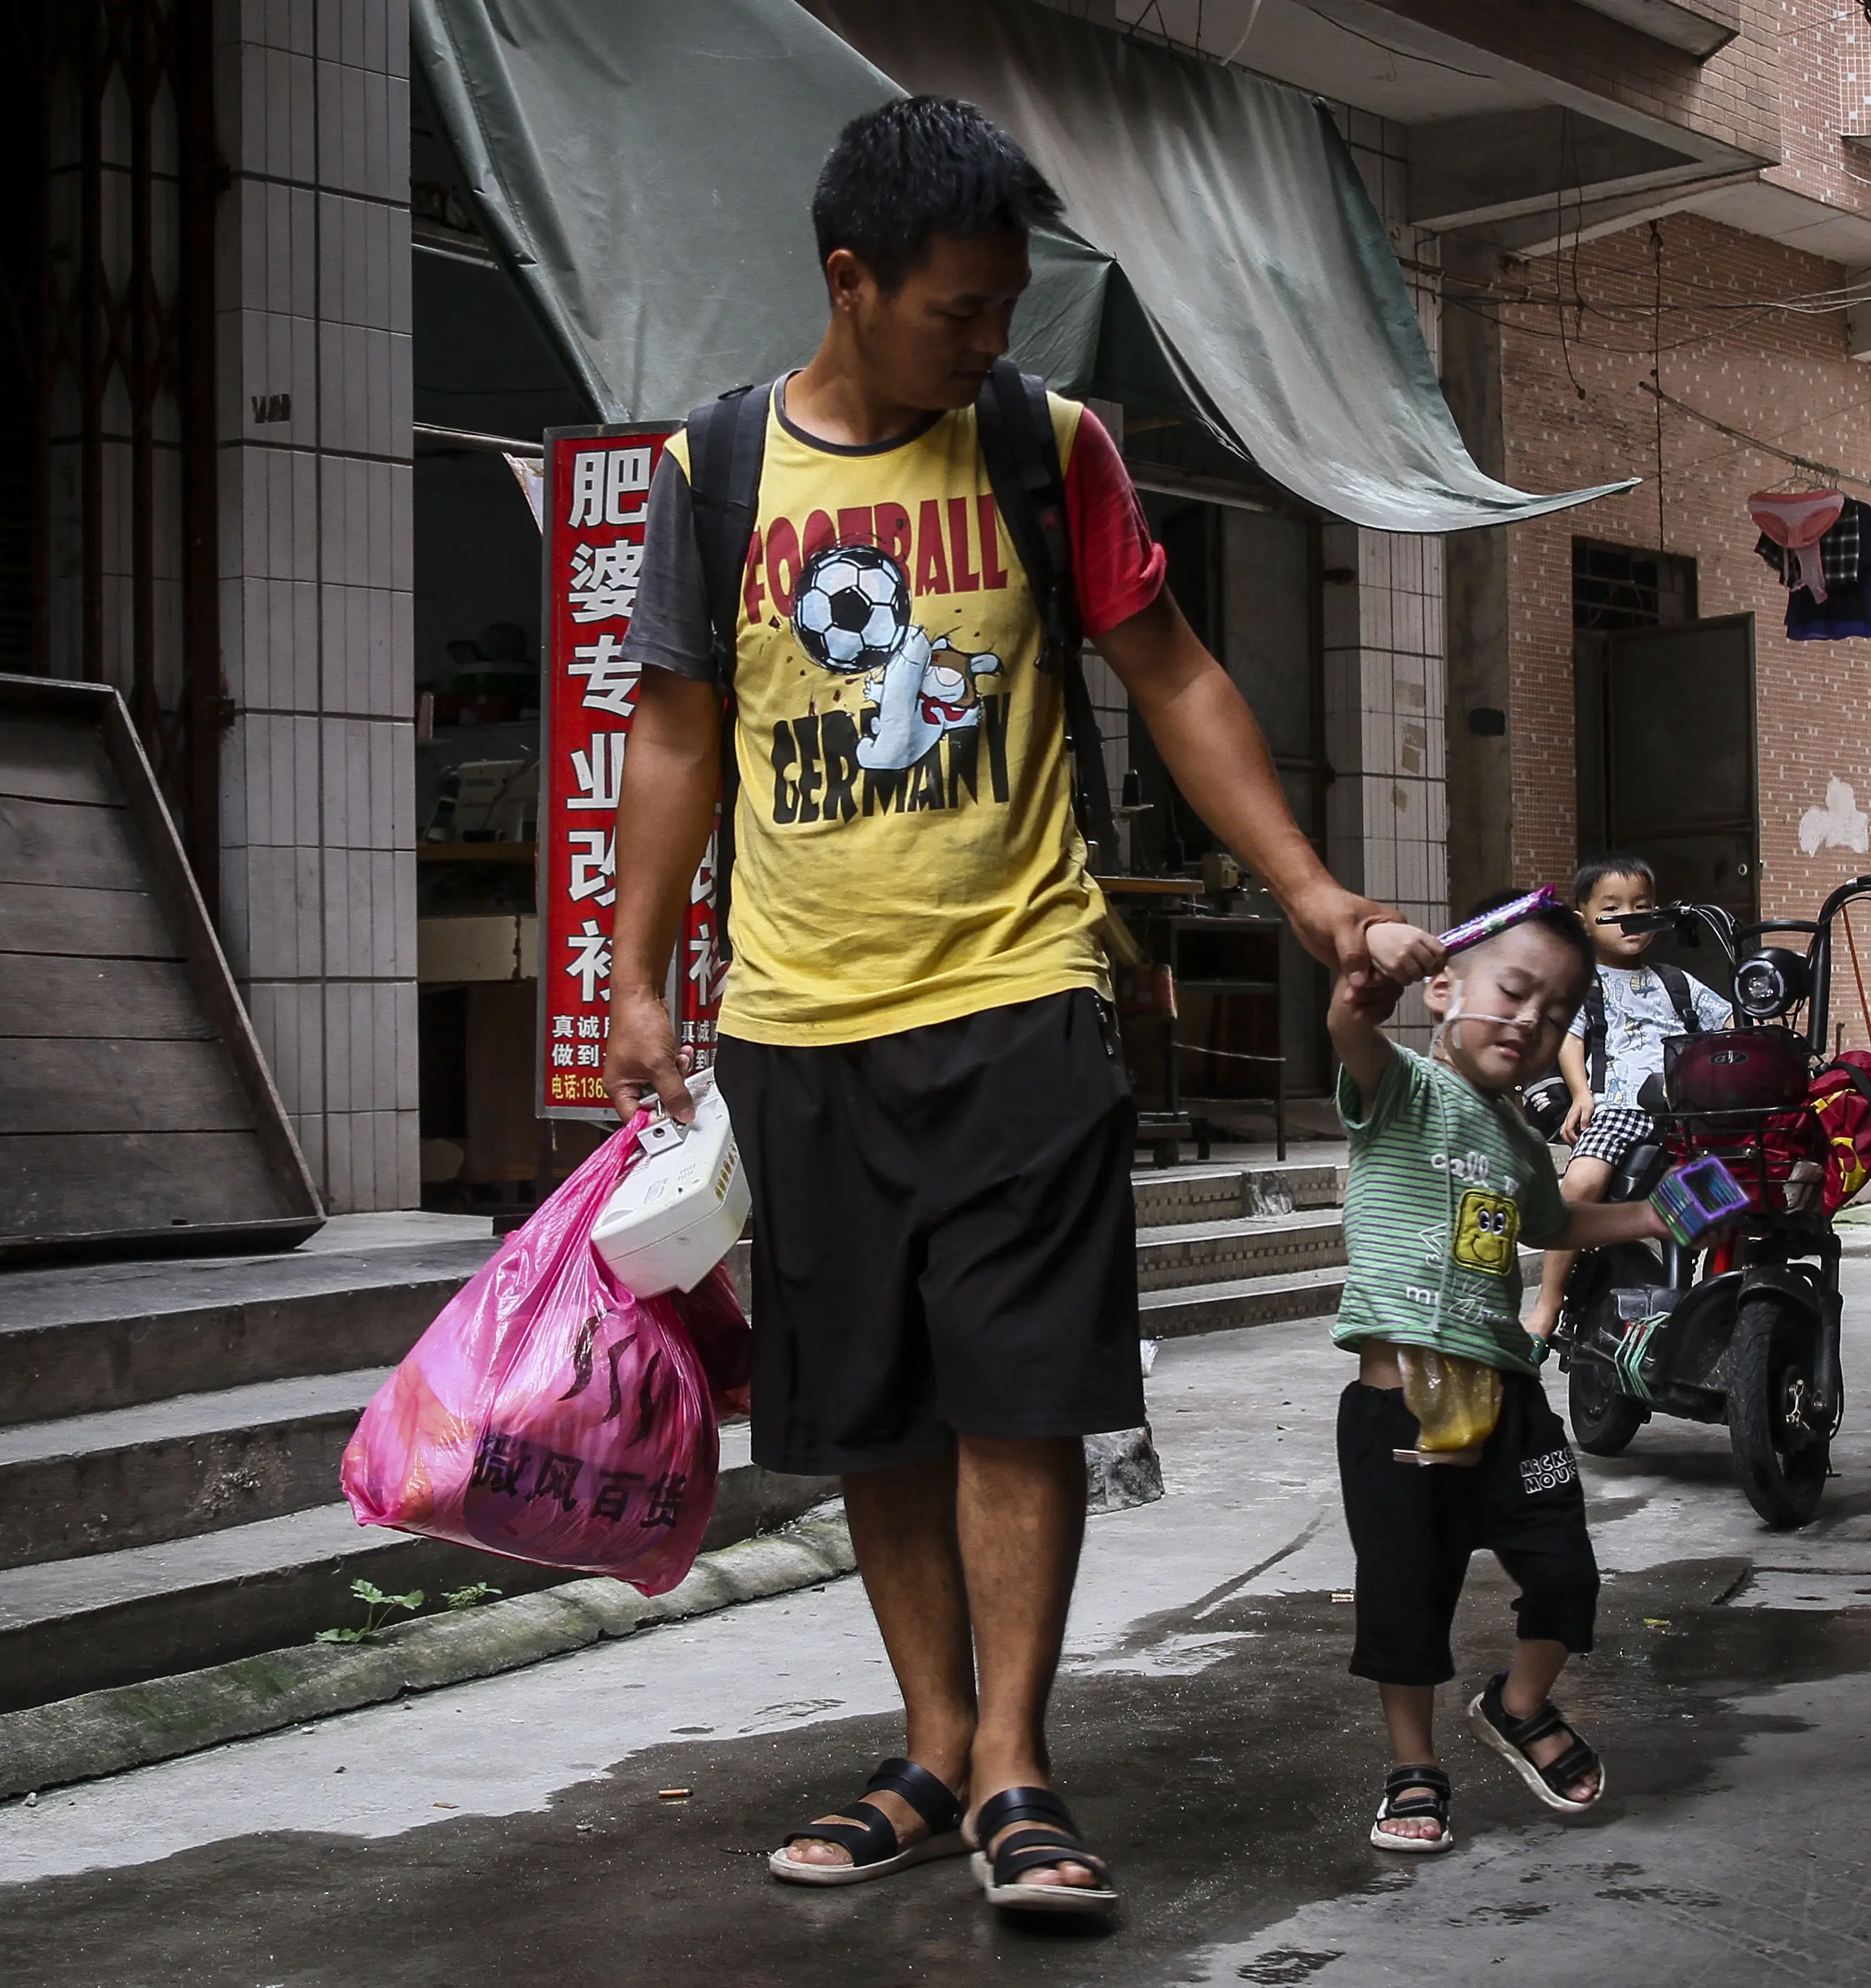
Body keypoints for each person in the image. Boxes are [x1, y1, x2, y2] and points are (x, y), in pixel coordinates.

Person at [602, 97, 1410, 1914]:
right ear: (849, 279)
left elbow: (1175, 674)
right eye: (958, 311)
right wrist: (639, 974)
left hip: (1019, 992)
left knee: (1019, 1391)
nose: (989, 343)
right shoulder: (717, 468)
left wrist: (1309, 893)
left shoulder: (1048, 448)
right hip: (799, 1019)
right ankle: (932, 1742)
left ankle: (1022, 1765)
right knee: (875, 1405)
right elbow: (676, 730)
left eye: (1005, 310)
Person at [1326, 896, 1674, 1854]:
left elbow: (1552, 1223)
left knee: (1565, 1569)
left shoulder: (1523, 1139)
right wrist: (1365, 975)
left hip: (1509, 1400)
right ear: (1446, 989)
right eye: (1513, 993)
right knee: (1405, 1595)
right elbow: (1350, 1026)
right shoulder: (1398, 1087)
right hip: (1398, 1402)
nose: (1529, 1023)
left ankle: (1518, 1703)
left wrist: (1648, 1217)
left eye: (1555, 1015)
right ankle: (1412, 1767)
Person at [1520, 856, 1734, 1340]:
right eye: (1612, 908)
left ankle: (1723, 1297)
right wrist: (1580, 1094)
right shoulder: (1582, 981)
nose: (1629, 917)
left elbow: (1725, 1024)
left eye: (1641, 906)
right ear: (1584, 921)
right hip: (1617, 1107)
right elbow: (1569, 1040)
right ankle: (1547, 1302)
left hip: (1683, 1114)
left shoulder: (1675, 981)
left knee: (1736, 1186)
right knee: (1580, 1183)